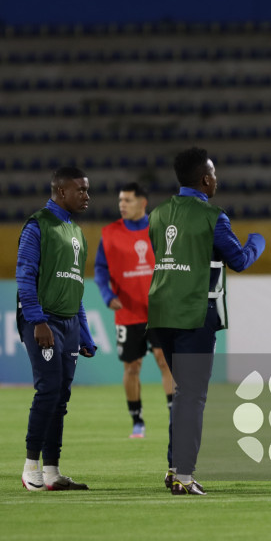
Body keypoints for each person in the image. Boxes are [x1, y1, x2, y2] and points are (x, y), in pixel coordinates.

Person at [147, 147, 265, 496]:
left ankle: (174, 467)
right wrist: (257, 241)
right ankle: (184, 474)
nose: (216, 179)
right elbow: (240, 260)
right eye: (213, 174)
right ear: (204, 179)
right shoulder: (213, 217)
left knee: (182, 393)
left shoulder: (157, 215)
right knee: (192, 396)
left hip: (161, 314)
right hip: (194, 315)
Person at [17, 166, 98, 491]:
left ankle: (52, 471)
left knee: (60, 397)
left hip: (68, 323)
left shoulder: (76, 233)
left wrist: (86, 333)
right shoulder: (38, 225)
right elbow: (24, 275)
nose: (87, 196)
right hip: (43, 321)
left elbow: (75, 289)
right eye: (81, 190)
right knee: (48, 390)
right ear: (61, 192)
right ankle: (29, 468)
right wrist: (37, 320)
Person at [95, 182, 174, 439]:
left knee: (166, 361)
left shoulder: (161, 228)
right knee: (132, 367)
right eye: (120, 200)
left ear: (143, 203)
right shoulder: (109, 233)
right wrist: (107, 295)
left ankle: (176, 415)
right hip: (128, 312)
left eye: (127, 200)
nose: (122, 204)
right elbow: (100, 269)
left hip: (160, 310)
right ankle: (137, 420)